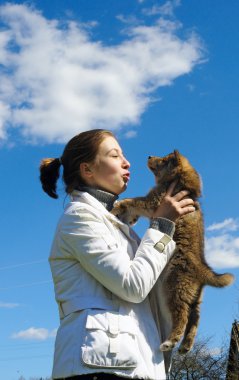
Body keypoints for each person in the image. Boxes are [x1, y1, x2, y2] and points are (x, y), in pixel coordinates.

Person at [40, 129, 195, 380]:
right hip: (98, 368)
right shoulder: (79, 217)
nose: (127, 162)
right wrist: (162, 226)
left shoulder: (119, 228)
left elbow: (148, 297)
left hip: (131, 364)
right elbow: (132, 285)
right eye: (114, 155)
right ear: (87, 170)